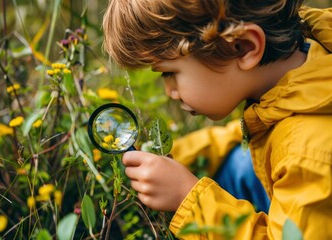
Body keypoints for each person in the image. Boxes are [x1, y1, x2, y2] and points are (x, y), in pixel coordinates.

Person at [102, 0, 332, 239]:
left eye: (169, 73)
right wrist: (178, 156)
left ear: (243, 47)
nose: (169, 91)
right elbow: (237, 136)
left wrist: (187, 198)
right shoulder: (307, 59)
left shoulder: (307, 152)